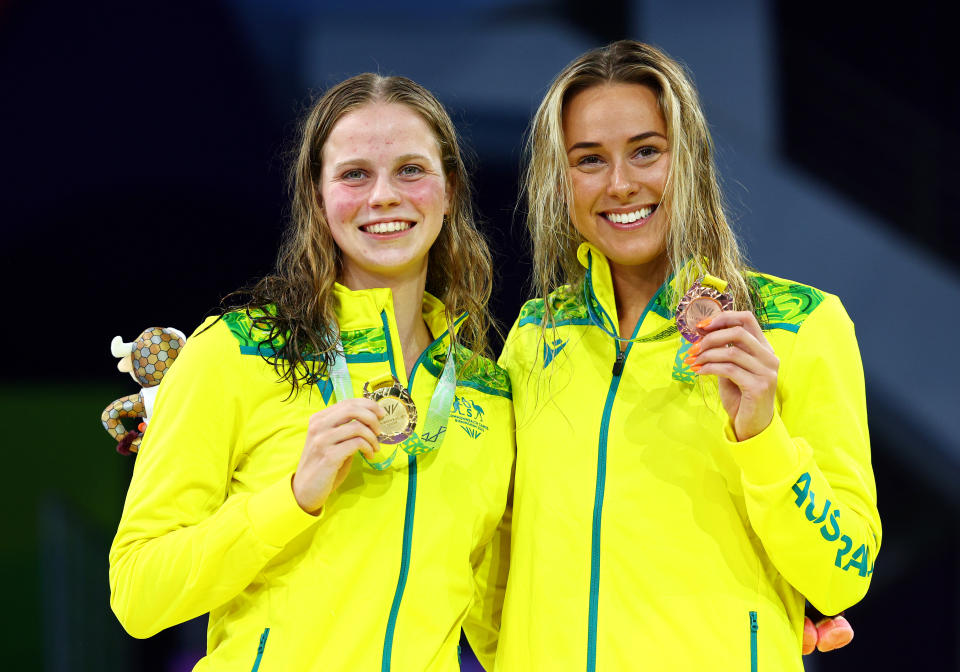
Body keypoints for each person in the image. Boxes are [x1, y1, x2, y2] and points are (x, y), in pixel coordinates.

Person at [495, 40, 880, 671]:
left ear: (692, 160)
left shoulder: (798, 324)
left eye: (647, 151)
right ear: (559, 182)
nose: (621, 184)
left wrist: (760, 433)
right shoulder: (537, 335)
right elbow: (500, 555)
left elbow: (843, 578)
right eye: (589, 160)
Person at [109, 73, 512, 671]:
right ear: (317, 196)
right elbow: (140, 596)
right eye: (354, 174)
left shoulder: (487, 393)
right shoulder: (236, 352)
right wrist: (293, 497)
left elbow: (500, 618)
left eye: (410, 170)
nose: (383, 197)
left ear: (449, 190)